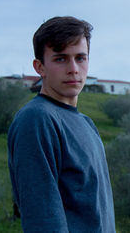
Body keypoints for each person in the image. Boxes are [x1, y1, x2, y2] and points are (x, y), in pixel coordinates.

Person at [7, 16, 116, 232]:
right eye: (60, 59)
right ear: (40, 67)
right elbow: (42, 219)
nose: (73, 68)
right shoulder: (37, 119)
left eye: (80, 58)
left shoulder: (86, 123)